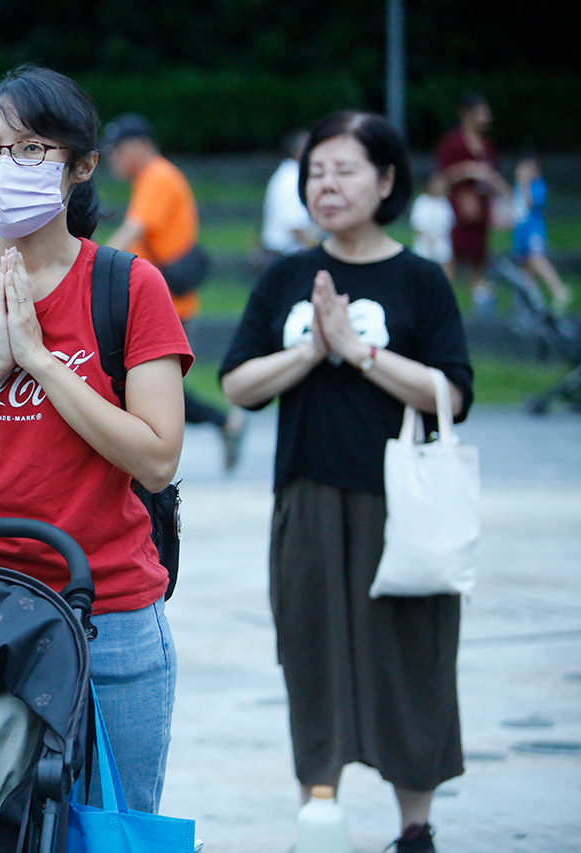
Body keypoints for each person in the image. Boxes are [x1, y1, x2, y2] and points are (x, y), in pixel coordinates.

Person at [0, 65, 191, 814]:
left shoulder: (128, 286)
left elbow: (156, 455)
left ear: (81, 166)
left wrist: (43, 362)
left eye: (28, 150)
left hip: (108, 611)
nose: (0, 168)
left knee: (114, 824)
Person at [219, 111, 474, 853]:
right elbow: (237, 383)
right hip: (308, 497)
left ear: (388, 180)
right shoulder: (288, 277)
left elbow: (451, 394)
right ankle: (319, 816)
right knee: (312, 655)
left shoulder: (421, 279)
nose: (325, 186)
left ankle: (415, 828)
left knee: (413, 662)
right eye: (315, 173)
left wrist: (358, 351)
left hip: (408, 506)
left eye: (345, 170)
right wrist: (309, 352)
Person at [101, 112, 246, 472]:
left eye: (117, 150)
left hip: (167, 302)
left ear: (138, 146)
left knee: (157, 388)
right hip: (167, 297)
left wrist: (92, 265)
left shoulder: (158, 176)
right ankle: (223, 422)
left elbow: (132, 231)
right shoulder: (153, 177)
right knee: (153, 386)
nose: (113, 159)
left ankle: (225, 422)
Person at [435, 91, 511, 314]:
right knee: (451, 258)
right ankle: (441, 306)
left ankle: (480, 310)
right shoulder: (453, 143)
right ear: (466, 114)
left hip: (481, 209)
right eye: (481, 112)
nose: (486, 117)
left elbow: (493, 176)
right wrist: (467, 171)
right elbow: (440, 179)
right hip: (457, 210)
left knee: (479, 259)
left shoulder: (487, 145)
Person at [511, 149, 572, 313]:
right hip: (521, 232)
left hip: (534, 230)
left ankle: (559, 290)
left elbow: (531, 203)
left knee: (537, 259)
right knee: (525, 271)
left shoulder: (538, 185)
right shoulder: (518, 186)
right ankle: (534, 304)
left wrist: (524, 183)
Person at [261, 130, 321, 259]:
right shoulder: (293, 178)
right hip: (286, 255)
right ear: (300, 151)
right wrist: (318, 255)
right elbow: (295, 225)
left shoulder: (287, 174)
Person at [409, 170, 456, 273]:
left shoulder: (444, 202)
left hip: (441, 242)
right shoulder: (422, 201)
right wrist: (429, 240)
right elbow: (418, 224)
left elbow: (449, 223)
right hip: (425, 243)